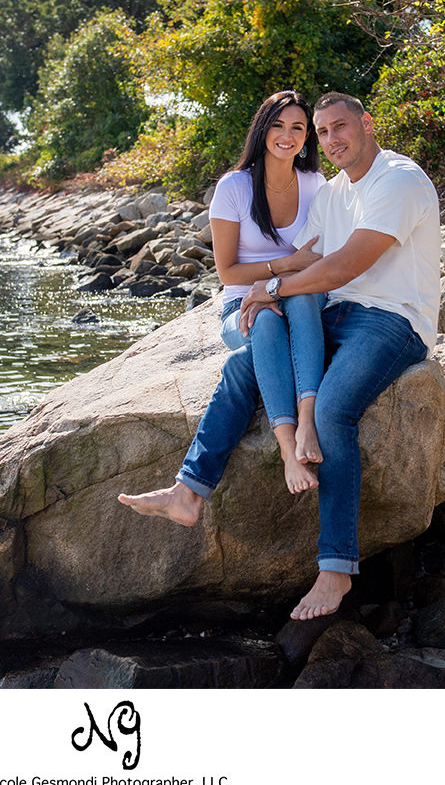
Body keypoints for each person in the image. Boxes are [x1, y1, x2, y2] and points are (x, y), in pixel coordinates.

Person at [119, 93, 440, 622]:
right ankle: (189, 490)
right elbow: (315, 258)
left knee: (335, 409)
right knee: (244, 367)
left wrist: (274, 289)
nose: (332, 139)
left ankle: (336, 567)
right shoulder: (335, 192)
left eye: (341, 127)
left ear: (367, 125)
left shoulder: (398, 180)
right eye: (325, 131)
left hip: (392, 318)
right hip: (339, 312)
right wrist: (274, 285)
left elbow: (342, 267)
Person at [132, 92, 328, 497]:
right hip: (243, 305)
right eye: (278, 125)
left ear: (308, 137)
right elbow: (228, 272)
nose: (287, 136)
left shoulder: (316, 185)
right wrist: (284, 266)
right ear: (262, 130)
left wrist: (281, 284)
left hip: (300, 298)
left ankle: (189, 491)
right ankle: (290, 451)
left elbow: (325, 257)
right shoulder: (235, 187)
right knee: (266, 321)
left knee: (245, 363)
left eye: (297, 128)